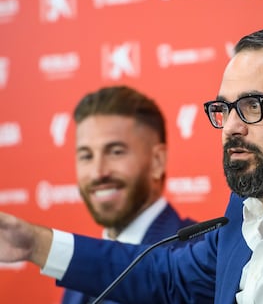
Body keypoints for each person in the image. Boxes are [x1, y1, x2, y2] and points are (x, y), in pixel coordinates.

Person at [1, 25, 263, 303]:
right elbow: (161, 275)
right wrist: (34, 244)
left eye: (252, 105)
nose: (231, 126)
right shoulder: (241, 217)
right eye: (223, 108)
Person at [59, 86, 198, 304]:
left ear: (157, 161)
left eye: (115, 152)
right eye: (86, 156)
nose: (98, 172)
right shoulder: (78, 269)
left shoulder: (196, 257)